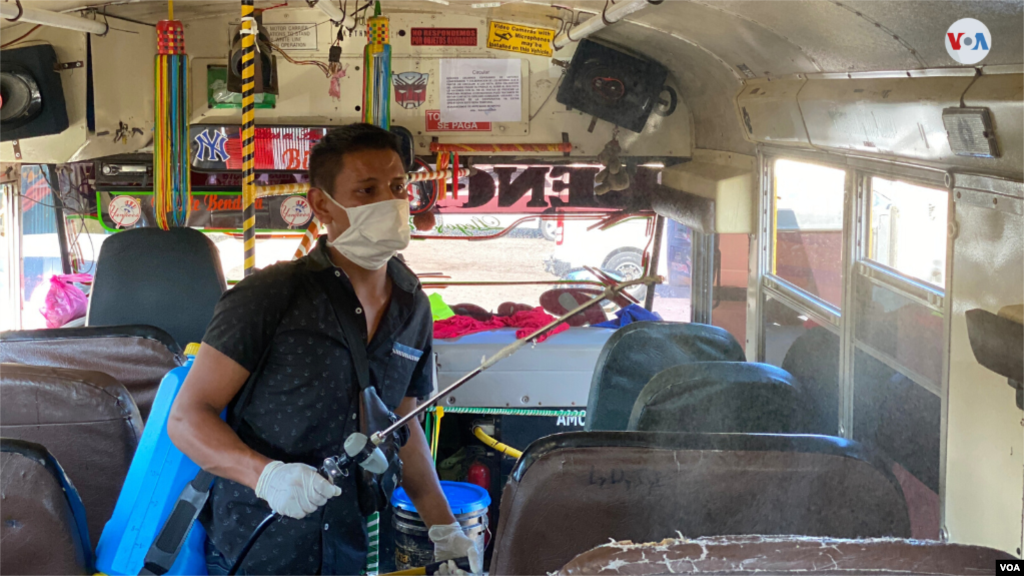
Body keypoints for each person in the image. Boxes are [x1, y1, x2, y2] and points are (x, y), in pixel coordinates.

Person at [169, 123, 480, 576]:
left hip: (349, 544)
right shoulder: (271, 295)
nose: (389, 204)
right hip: (258, 544)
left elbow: (404, 430)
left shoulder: (412, 305)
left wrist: (445, 531)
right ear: (321, 205)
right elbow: (187, 418)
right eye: (366, 189)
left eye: (397, 188)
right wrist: (267, 476)